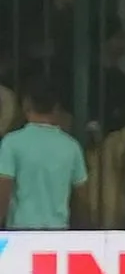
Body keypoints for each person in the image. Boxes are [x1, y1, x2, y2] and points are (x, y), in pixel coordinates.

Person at [0, 76, 89, 229]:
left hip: (20, 232)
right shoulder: (71, 146)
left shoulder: (11, 143)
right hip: (58, 231)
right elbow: (81, 198)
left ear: (26, 104)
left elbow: (3, 191)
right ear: (56, 108)